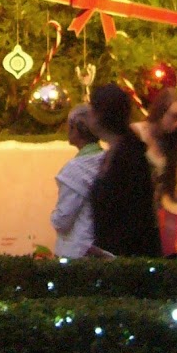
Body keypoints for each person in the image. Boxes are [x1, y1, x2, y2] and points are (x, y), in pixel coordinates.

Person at [88, 83, 161, 258]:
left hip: (128, 256)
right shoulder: (116, 152)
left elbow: (134, 215)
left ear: (101, 115)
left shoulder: (129, 156)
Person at [134, 87, 177, 255]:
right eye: (174, 116)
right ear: (160, 111)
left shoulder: (174, 143)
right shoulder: (136, 134)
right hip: (138, 213)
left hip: (163, 213)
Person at [50, 103, 105, 259]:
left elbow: (63, 219)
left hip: (78, 249)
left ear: (76, 129)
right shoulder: (107, 160)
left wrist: (53, 218)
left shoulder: (76, 169)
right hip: (100, 243)